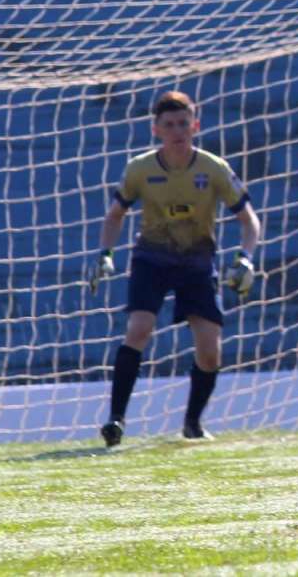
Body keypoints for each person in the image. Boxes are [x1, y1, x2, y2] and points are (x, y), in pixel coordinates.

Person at [88, 90, 261, 446]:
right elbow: (115, 214)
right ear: (156, 130)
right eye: (169, 124)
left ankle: (193, 423)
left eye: (184, 122)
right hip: (152, 258)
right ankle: (116, 420)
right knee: (139, 329)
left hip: (197, 262)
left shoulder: (214, 168)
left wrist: (246, 257)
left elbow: (250, 221)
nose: (177, 130)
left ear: (195, 125)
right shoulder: (140, 168)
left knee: (210, 351)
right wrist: (105, 252)